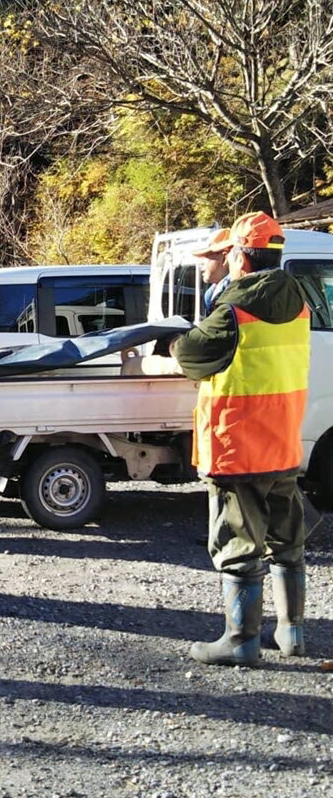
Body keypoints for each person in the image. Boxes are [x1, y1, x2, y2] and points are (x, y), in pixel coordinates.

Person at [171, 211, 310, 666]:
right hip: (284, 442)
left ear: (240, 258)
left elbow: (190, 354)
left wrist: (177, 342)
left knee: (238, 545)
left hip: (240, 446)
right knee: (287, 543)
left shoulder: (235, 309)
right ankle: (292, 635)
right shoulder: (300, 302)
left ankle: (241, 639)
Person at [193, 227, 232, 313]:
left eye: (206, 256)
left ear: (224, 258)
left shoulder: (236, 293)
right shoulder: (212, 294)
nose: (201, 263)